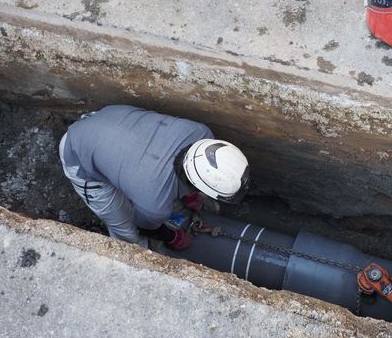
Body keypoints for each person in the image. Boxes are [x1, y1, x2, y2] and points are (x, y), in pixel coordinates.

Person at [59, 105, 249, 250]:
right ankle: (134, 253)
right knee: (125, 227)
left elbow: (180, 162)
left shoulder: (201, 133)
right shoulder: (155, 203)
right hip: (78, 150)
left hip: (108, 119)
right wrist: (173, 238)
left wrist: (191, 196)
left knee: (147, 191)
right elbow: (145, 227)